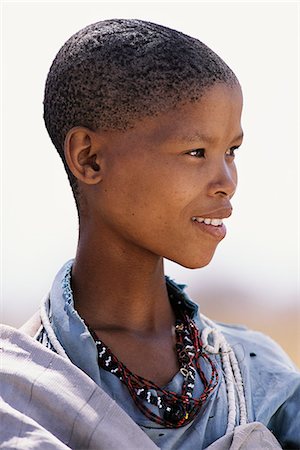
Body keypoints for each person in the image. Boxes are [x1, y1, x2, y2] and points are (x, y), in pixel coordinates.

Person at [1, 18, 299, 450]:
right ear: (90, 159)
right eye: (196, 152)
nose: (226, 181)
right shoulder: (20, 388)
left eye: (231, 151)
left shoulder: (259, 375)